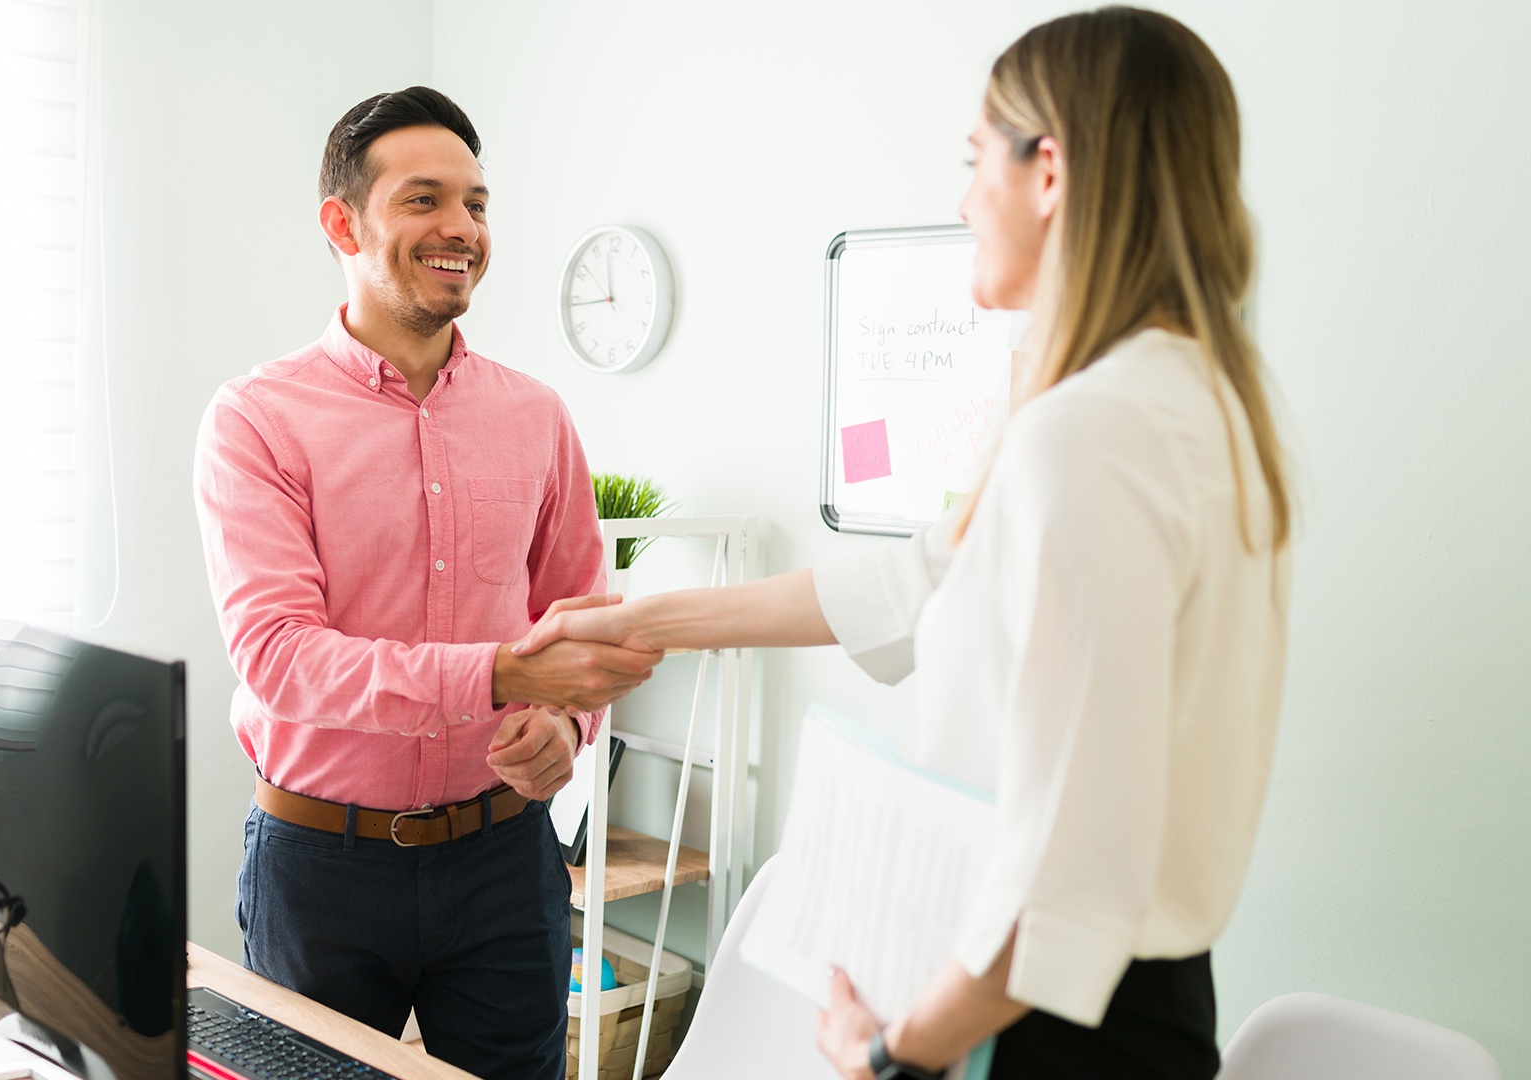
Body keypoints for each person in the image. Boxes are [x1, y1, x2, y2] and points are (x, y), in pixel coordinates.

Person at [512, 9, 1292, 1079]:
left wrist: (893, 1053)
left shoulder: (1091, 433)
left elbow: (1070, 862)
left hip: (1041, 1025)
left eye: (976, 161)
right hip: (1129, 1003)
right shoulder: (1192, 404)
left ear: (1050, 171)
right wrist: (642, 621)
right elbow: (913, 582)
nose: (964, 201)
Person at [192, 86, 663, 1080]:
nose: (462, 228)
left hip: (505, 861)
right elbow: (280, 659)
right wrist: (503, 676)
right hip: (320, 867)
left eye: (477, 204)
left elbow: (582, 623)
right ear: (342, 225)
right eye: (424, 200)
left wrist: (564, 725)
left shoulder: (536, 417)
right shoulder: (256, 420)